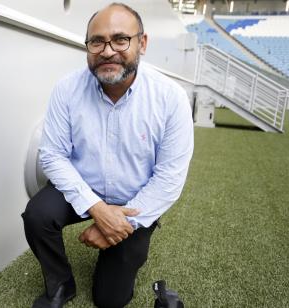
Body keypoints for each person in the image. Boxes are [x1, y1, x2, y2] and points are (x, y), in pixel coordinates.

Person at [22, 2, 194, 308]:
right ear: (88, 46)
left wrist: (118, 225)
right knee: (37, 215)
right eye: (97, 41)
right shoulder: (67, 89)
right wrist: (98, 210)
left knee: (110, 299)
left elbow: (169, 178)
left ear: (142, 43)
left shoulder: (171, 99)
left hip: (134, 205)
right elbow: (52, 156)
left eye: (120, 39)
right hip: (83, 189)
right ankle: (60, 284)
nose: (107, 50)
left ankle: (116, 254)